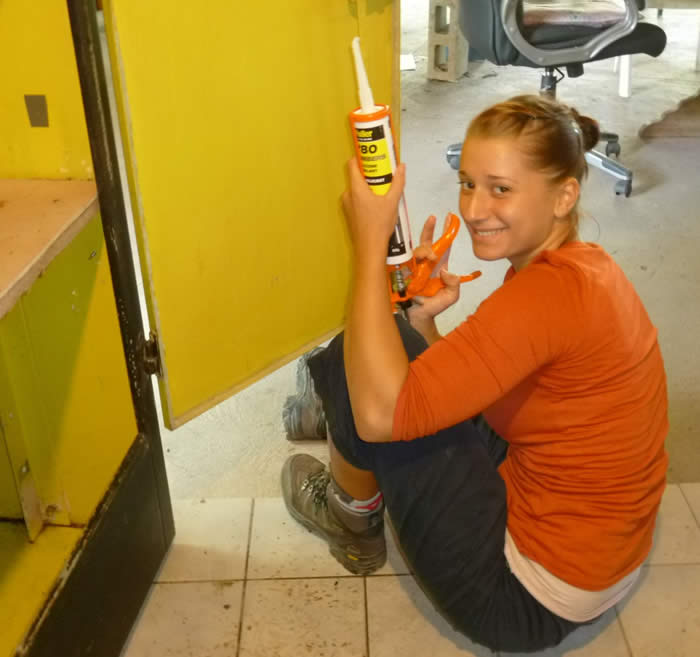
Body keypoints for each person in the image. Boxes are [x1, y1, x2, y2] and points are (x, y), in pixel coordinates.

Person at [280, 94, 668, 652]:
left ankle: (349, 517)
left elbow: (382, 416)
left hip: (524, 600)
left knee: (359, 370)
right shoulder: (581, 271)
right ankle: (335, 421)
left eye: (500, 188)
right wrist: (422, 321)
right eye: (467, 183)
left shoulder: (540, 300)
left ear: (564, 195)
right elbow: (498, 386)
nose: (473, 208)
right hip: (598, 557)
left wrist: (369, 242)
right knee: (400, 339)